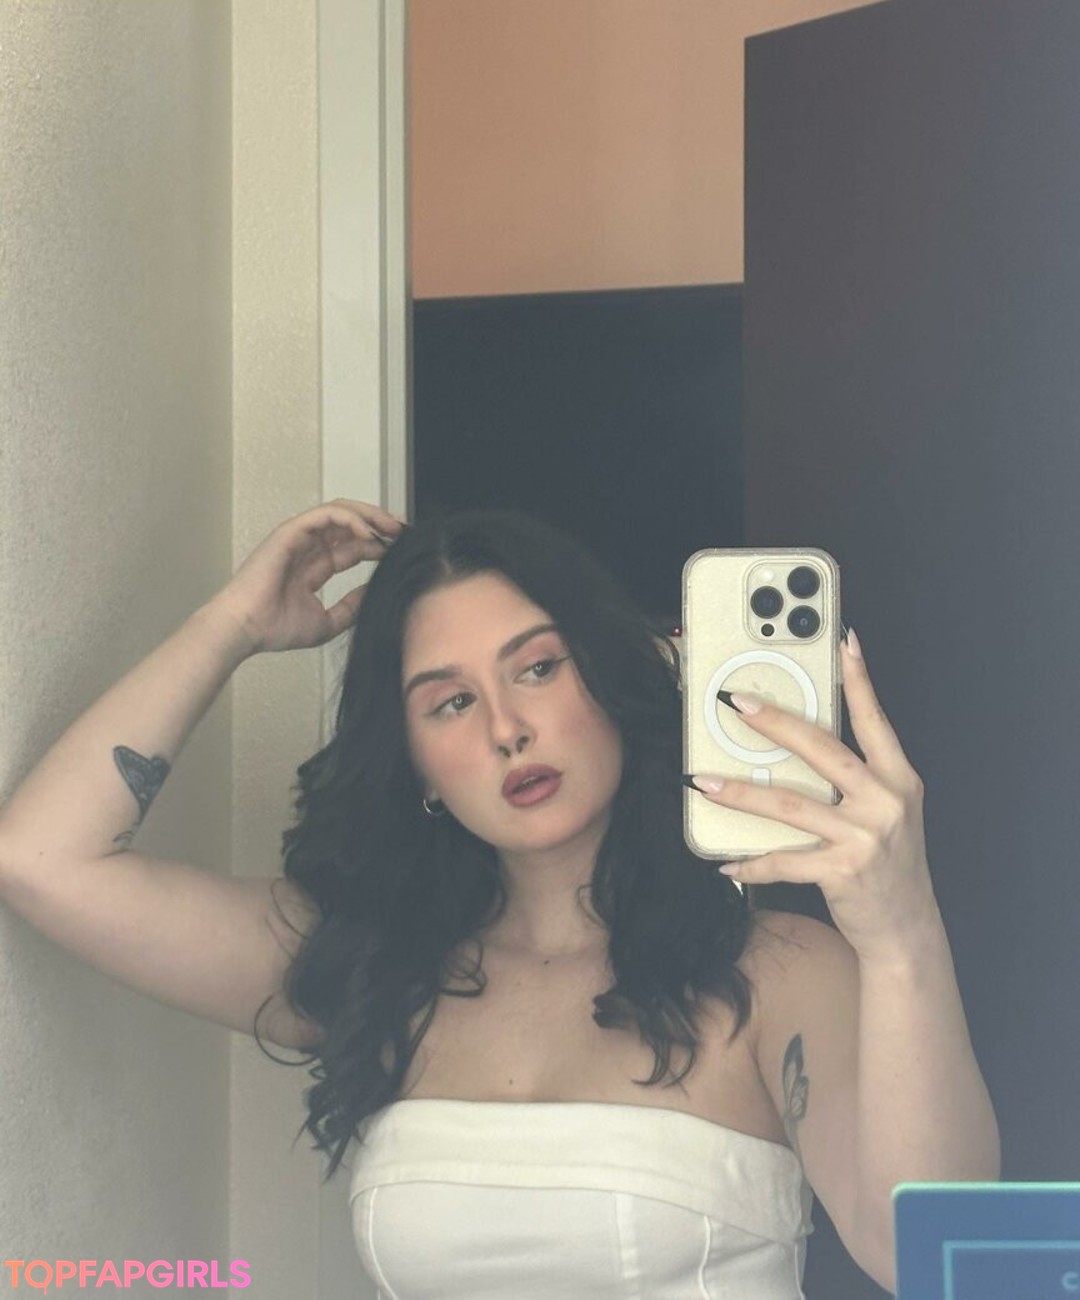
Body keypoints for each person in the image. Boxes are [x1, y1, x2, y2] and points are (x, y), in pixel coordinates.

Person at [0, 498, 999, 1298]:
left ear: (608, 681)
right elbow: (44, 858)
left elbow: (941, 1266)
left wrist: (903, 931)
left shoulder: (775, 973)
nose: (507, 727)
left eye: (538, 667)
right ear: (420, 768)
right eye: (451, 701)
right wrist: (233, 625)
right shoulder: (372, 967)